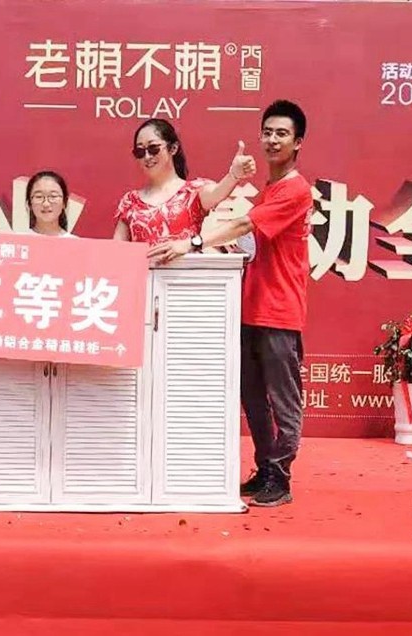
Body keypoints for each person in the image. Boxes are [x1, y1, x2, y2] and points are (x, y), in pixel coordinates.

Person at [148, 100, 312, 507]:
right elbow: (247, 242)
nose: (272, 140)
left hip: (280, 311)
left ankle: (282, 476)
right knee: (253, 398)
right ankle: (266, 468)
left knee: (282, 399)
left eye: (282, 134)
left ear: (298, 142)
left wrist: (192, 242)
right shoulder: (270, 189)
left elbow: (243, 225)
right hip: (250, 307)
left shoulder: (295, 189)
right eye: (267, 132)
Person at [113, 118, 255, 248]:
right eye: (140, 151)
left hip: (186, 268)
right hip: (141, 269)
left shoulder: (192, 192)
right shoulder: (130, 201)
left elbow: (218, 192)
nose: (147, 156)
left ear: (173, 148)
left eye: (153, 148)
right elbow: (117, 251)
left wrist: (234, 175)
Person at [25, 170, 77, 238]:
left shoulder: (75, 242)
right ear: (29, 203)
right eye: (39, 196)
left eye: (53, 196)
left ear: (64, 202)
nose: (46, 204)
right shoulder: (18, 241)